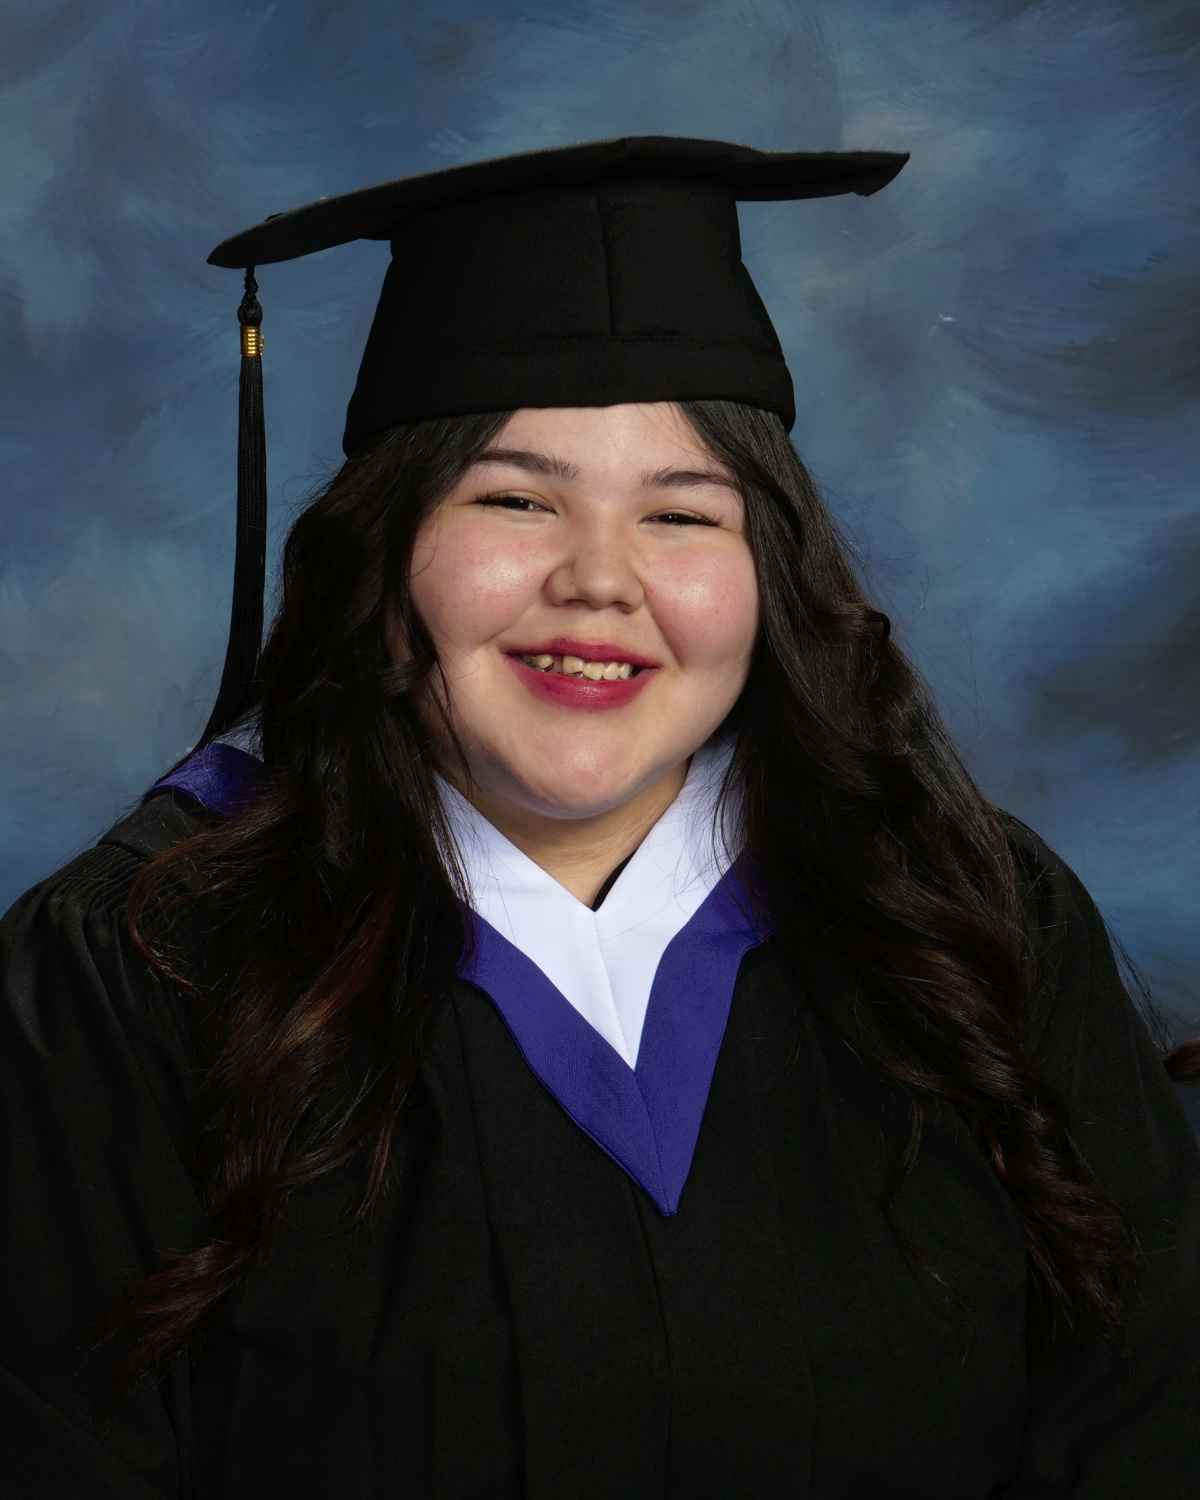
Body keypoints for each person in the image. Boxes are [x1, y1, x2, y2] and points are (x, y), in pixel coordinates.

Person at [2, 135, 1198, 1499]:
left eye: (684, 517)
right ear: (385, 550)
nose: (600, 581)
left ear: (771, 572)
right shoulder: (139, 968)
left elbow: (1146, 1418)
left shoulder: (968, 915)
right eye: (516, 499)